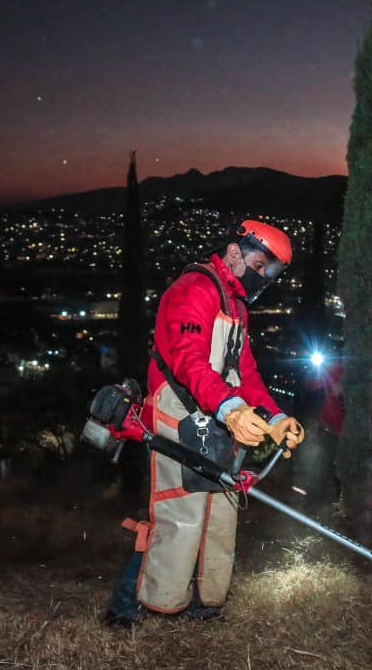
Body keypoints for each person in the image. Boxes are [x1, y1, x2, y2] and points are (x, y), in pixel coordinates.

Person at [106, 220, 306, 626]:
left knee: (219, 508)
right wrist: (230, 410)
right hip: (180, 413)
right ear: (235, 253)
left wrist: (276, 417)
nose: (264, 277)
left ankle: (201, 600)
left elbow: (245, 373)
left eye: (273, 272)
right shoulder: (193, 290)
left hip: (215, 414)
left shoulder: (235, 306)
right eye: (261, 265)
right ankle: (127, 606)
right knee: (180, 511)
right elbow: (187, 360)